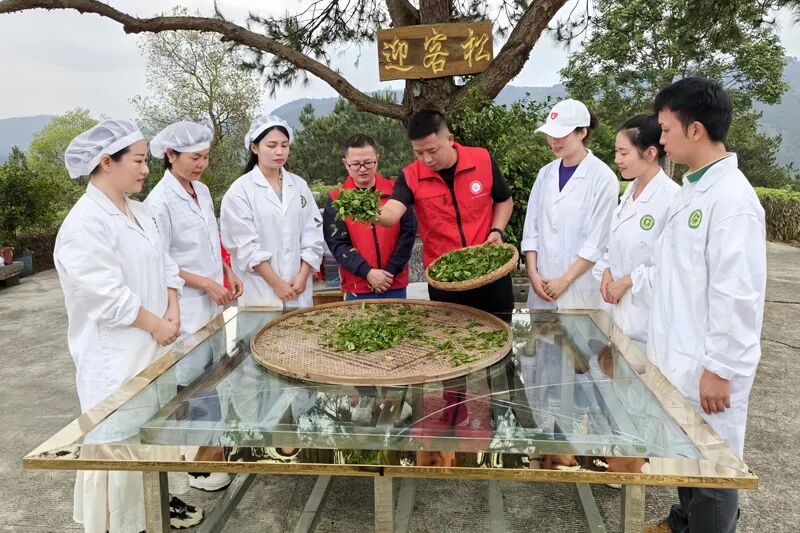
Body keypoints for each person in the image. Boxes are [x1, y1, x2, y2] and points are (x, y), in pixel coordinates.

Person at [54, 119, 203, 531]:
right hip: (115, 358)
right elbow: (106, 297)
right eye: (137, 160)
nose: (145, 169)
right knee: (118, 448)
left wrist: (172, 309)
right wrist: (156, 324)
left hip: (153, 348)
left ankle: (153, 511)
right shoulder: (84, 224)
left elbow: (166, 264)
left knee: (149, 438)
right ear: (106, 162)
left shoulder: (140, 212)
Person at [639, 78, 766, 533]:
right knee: (685, 453)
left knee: (714, 468)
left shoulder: (732, 201)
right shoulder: (691, 191)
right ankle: (682, 522)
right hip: (678, 355)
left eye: (665, 129)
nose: (661, 140)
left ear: (695, 129)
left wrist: (721, 367)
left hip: (707, 366)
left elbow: (738, 294)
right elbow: (672, 274)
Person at [145, 120, 242, 493]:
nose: (201, 164)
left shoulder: (200, 190)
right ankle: (198, 466)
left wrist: (226, 271)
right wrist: (205, 282)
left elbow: (210, 241)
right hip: (186, 307)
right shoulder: (159, 203)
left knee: (213, 379)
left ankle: (211, 453)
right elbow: (163, 262)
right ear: (170, 155)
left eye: (205, 156)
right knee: (193, 386)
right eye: (194, 157)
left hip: (212, 302)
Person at [376, 109, 514, 315]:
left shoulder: (481, 159)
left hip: (490, 270)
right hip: (445, 278)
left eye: (432, 150)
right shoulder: (410, 176)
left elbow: (504, 200)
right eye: (419, 153)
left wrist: (497, 230)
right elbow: (391, 213)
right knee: (452, 333)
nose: (427, 159)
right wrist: (370, 212)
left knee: (502, 329)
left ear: (450, 139)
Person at [593, 115, 680, 352]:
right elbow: (614, 246)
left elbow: (671, 268)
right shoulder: (629, 194)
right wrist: (607, 270)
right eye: (616, 152)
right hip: (617, 316)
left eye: (624, 153)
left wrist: (626, 282)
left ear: (650, 153)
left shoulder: (672, 200)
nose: (617, 159)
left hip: (648, 326)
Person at [521, 99, 618, 311]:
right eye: (550, 135)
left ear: (582, 133)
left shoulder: (603, 178)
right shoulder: (545, 174)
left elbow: (597, 241)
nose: (553, 141)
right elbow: (531, 230)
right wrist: (533, 273)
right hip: (542, 286)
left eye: (561, 135)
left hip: (580, 288)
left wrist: (564, 281)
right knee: (542, 332)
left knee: (580, 332)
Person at [220, 114, 324, 309]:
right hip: (260, 292)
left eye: (284, 145)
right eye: (271, 145)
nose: (279, 152)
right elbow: (244, 247)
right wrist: (277, 284)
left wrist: (302, 276)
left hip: (298, 289)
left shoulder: (299, 186)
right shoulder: (240, 192)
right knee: (262, 329)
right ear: (254, 147)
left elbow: (313, 233)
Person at [323, 133, 416, 300]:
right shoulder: (338, 199)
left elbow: (408, 234)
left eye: (368, 163)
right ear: (345, 163)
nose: (362, 169)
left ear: (377, 160)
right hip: (357, 285)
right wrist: (368, 272)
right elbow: (337, 243)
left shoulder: (396, 192)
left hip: (393, 282)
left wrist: (390, 272)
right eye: (356, 164)